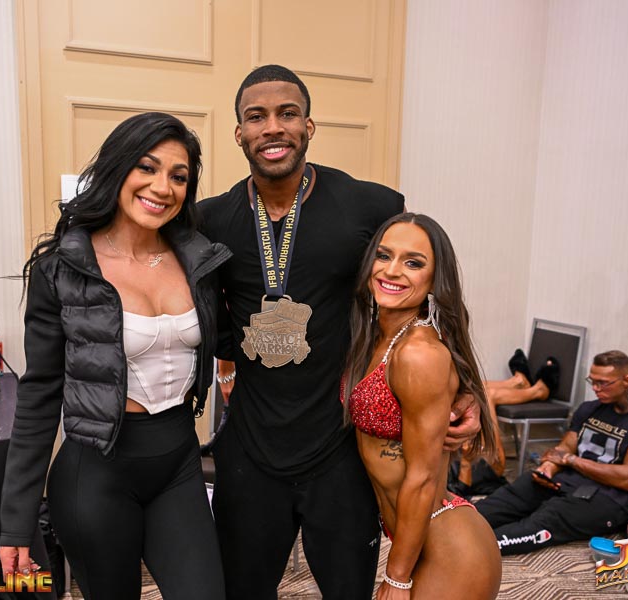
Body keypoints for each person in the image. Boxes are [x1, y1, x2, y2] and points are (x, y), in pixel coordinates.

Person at [197, 64, 481, 600]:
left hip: (340, 450)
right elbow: (202, 314)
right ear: (239, 133)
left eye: (288, 113)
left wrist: (461, 386)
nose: (272, 127)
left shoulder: (370, 205)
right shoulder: (210, 221)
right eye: (256, 117)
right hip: (251, 449)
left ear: (308, 126)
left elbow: (418, 289)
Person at [0, 112, 230, 599]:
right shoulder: (63, 269)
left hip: (178, 462)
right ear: (117, 168)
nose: (162, 187)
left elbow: (233, 339)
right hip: (96, 475)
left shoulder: (198, 259)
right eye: (147, 167)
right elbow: (39, 395)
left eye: (179, 176)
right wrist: (15, 523)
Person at [342, 212, 502, 599]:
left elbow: (423, 477)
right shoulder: (375, 335)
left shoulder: (418, 353)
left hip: (451, 547)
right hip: (414, 536)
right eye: (383, 256)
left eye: (413, 263)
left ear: (434, 279)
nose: (392, 270)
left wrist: (396, 578)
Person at [475, 350, 628, 555]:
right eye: (592, 381)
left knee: (540, 522)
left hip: (608, 498)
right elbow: (565, 447)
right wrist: (549, 467)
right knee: (506, 498)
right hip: (565, 480)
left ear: (627, 381)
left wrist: (569, 460)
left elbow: (627, 478)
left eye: (603, 383)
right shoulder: (590, 409)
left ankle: (472, 549)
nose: (595, 388)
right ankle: (458, 528)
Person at [457, 349, 561, 483]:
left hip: (464, 459)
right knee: (485, 395)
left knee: (466, 388)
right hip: (487, 465)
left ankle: (516, 383)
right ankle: (537, 391)